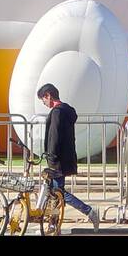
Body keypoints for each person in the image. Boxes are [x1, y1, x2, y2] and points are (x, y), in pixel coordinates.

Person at [37, 83, 99, 230]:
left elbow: (54, 136)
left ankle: (89, 211)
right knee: (55, 192)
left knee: (59, 193)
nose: (44, 103)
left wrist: (50, 156)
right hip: (66, 158)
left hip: (57, 159)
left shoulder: (56, 112)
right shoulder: (67, 111)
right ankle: (53, 224)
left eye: (43, 100)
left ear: (48, 96)